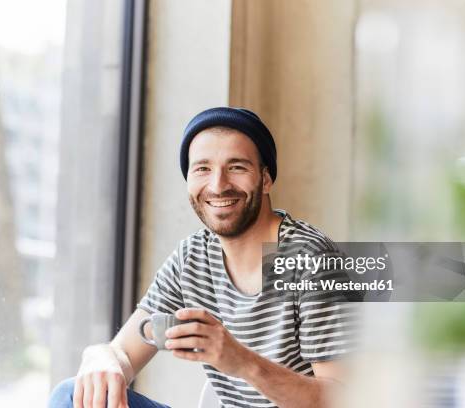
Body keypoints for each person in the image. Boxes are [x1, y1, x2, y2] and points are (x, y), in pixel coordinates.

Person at [49, 107, 356, 408]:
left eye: (237, 167)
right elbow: (125, 354)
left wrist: (241, 361)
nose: (218, 185)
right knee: (71, 395)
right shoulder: (193, 257)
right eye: (202, 169)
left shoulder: (309, 259)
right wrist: (100, 356)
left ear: (265, 179)